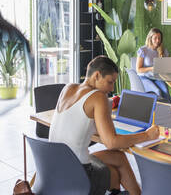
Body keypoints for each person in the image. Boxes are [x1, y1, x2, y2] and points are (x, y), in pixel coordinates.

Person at [49, 56, 160, 195]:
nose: (112, 88)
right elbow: (111, 142)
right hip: (77, 173)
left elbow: (77, 121)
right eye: (110, 82)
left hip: (54, 167)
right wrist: (147, 135)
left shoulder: (68, 88)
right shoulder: (98, 96)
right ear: (96, 75)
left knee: (116, 164)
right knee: (116, 164)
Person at [136, 28, 171, 102]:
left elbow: (168, 65)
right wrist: (151, 68)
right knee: (157, 91)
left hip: (157, 77)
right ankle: (158, 111)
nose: (157, 40)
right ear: (150, 38)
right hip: (144, 77)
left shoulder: (163, 50)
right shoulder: (143, 50)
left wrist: (162, 56)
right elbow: (138, 69)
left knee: (165, 91)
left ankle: (169, 111)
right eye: (155, 38)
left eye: (159, 38)